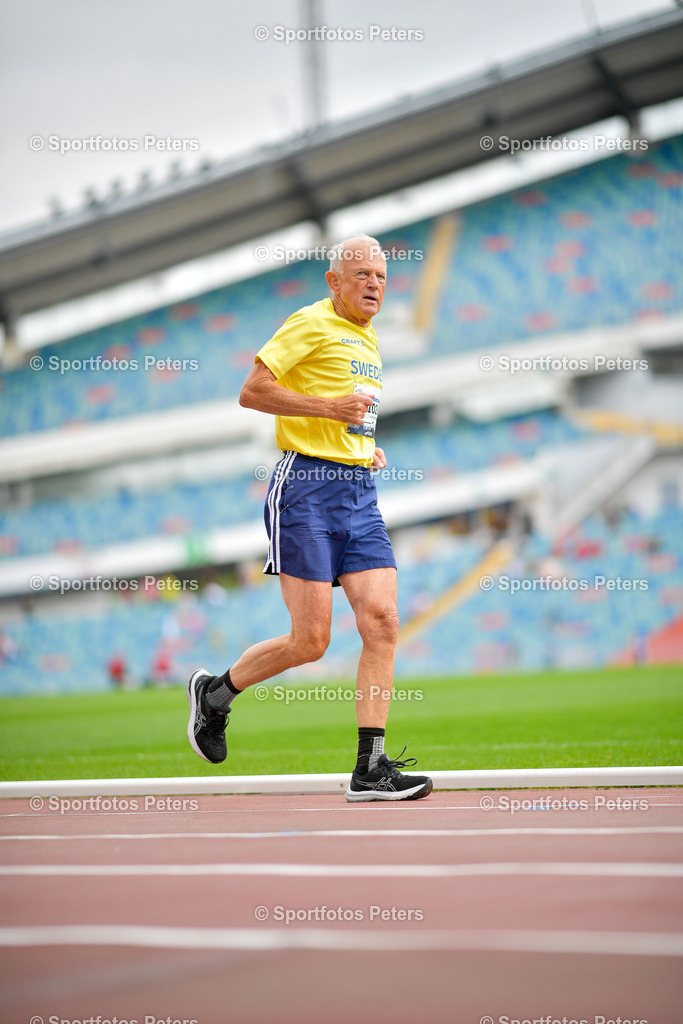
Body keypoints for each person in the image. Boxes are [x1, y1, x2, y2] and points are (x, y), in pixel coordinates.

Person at [186, 235, 432, 802]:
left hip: (359, 491)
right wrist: (327, 411)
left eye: (382, 276)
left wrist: (361, 446)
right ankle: (215, 696)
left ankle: (370, 767)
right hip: (304, 490)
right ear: (334, 280)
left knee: (383, 621)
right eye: (362, 274)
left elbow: (351, 413)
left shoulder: (369, 340)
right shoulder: (310, 322)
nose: (374, 284)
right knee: (312, 640)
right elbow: (252, 391)